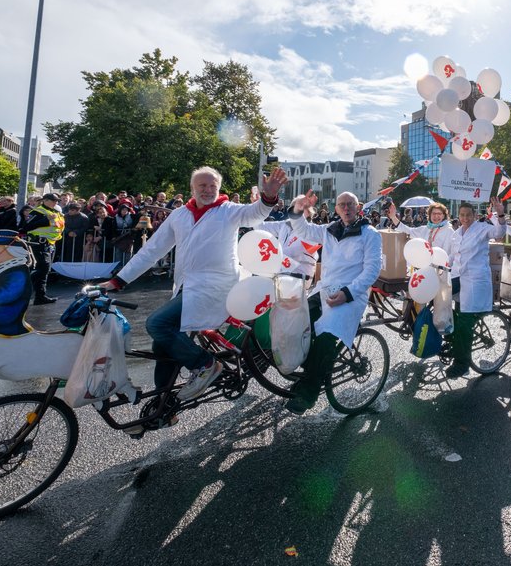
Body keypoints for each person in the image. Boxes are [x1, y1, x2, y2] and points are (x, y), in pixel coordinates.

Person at [98, 166, 287, 404]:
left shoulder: (228, 211)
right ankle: (163, 403)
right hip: (187, 288)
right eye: (202, 186)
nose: (208, 190)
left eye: (212, 186)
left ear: (219, 189)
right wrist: (118, 280)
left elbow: (255, 213)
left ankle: (205, 365)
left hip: (216, 287)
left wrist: (268, 197)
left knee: (157, 324)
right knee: (163, 345)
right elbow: (152, 250)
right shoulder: (179, 215)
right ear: (192, 188)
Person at [280, 190, 382, 413]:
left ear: (358, 208)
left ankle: (308, 394)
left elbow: (372, 270)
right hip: (324, 290)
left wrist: (348, 293)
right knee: (299, 325)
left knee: (326, 338)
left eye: (350, 204)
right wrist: (299, 207)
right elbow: (303, 230)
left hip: (350, 295)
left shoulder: (370, 234)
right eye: (342, 205)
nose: (346, 208)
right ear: (336, 209)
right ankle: (311, 372)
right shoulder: (329, 229)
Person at [446, 198, 506, 377]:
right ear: (459, 216)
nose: (465, 218)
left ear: (474, 215)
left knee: (465, 322)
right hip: (457, 277)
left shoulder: (482, 229)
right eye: (462, 215)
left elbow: (499, 232)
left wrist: (500, 213)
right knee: (442, 303)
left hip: (475, 280)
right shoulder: (456, 233)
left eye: (468, 215)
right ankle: (452, 341)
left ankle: (462, 364)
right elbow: (452, 256)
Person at [20, 193, 65, 305]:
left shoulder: (56, 212)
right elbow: (26, 226)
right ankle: (24, 289)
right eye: (53, 200)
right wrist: (46, 220)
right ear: (45, 200)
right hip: (39, 244)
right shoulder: (37, 211)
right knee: (42, 268)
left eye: (57, 201)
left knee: (45, 270)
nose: (56, 202)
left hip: (51, 244)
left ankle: (40, 296)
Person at [387, 200, 455, 253]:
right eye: (433, 213)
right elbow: (408, 231)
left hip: (441, 268)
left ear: (443, 216)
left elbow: (450, 254)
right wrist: (393, 217)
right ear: (429, 215)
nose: (436, 216)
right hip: (425, 266)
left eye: (439, 214)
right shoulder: (425, 229)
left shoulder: (449, 230)